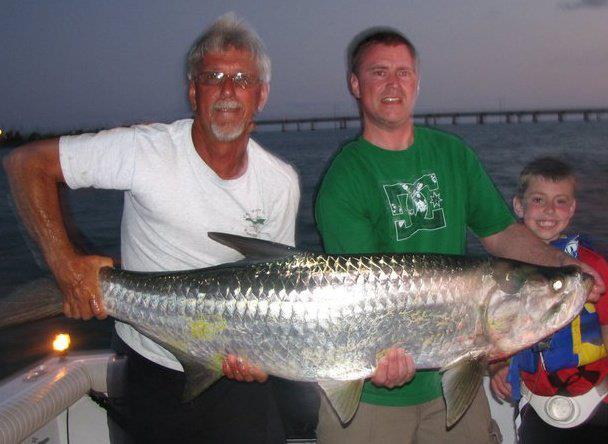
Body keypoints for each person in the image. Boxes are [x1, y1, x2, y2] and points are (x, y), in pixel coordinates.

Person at [3, 13, 305, 443]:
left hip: (231, 370)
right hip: (148, 365)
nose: (227, 90)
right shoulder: (146, 151)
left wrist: (266, 354)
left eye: (242, 79)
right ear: (192, 90)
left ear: (262, 95)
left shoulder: (279, 182)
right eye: (213, 76)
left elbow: (275, 287)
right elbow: (26, 163)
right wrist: (65, 264)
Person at [314, 28, 605, 444]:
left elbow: (503, 233)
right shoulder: (344, 179)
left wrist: (562, 264)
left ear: (417, 81)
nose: (393, 84)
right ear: (355, 85)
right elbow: (370, 300)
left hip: (458, 382)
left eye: (403, 72)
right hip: (372, 397)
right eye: (379, 72)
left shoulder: (453, 154)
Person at [489, 157, 608, 443]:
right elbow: (494, 330)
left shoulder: (591, 266)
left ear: (573, 208)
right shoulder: (503, 273)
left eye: (560, 201)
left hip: (598, 404)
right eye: (538, 200)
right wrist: (497, 368)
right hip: (538, 408)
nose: (549, 211)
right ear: (519, 205)